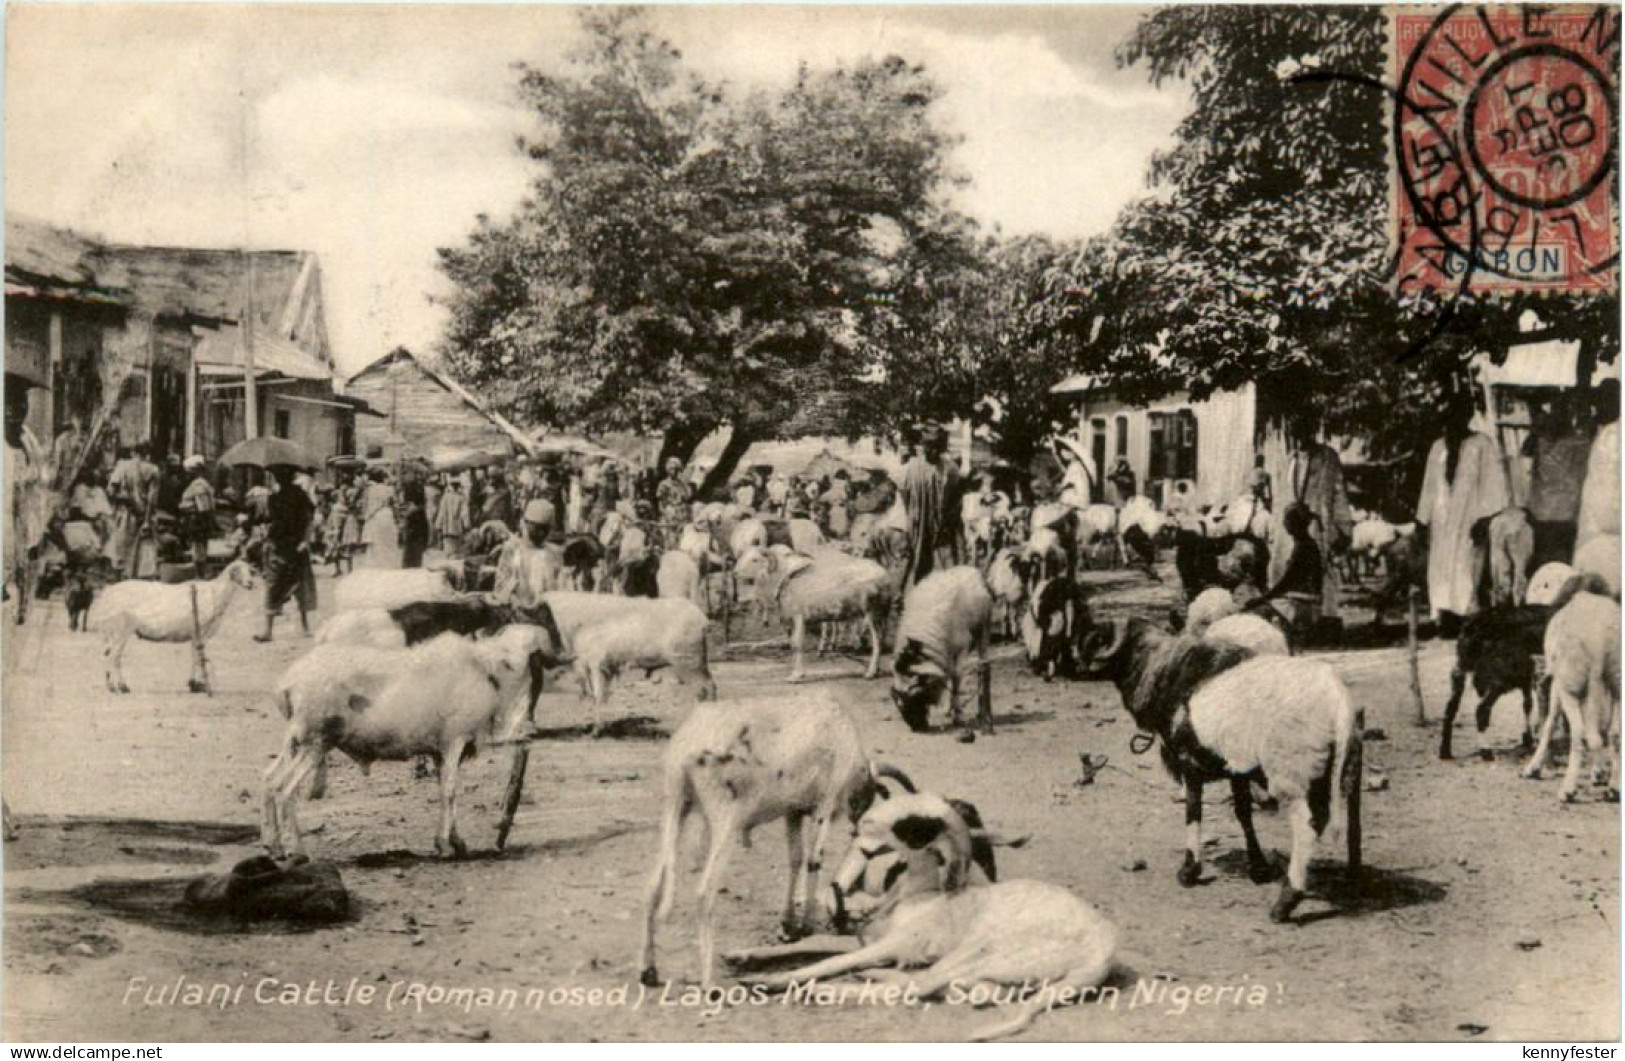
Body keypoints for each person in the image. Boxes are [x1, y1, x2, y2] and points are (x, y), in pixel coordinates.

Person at [1417, 395, 1509, 634]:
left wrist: (1485, 519)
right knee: (1440, 568)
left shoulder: (1482, 444)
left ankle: (1468, 619)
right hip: (1441, 522)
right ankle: (1444, 618)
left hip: (1469, 520)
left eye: (1456, 416)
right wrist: (1422, 519)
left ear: (1466, 417)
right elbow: (1429, 486)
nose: (1451, 422)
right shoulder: (1439, 447)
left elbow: (1493, 485)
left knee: (1467, 569)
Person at [1270, 418, 1353, 626]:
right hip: (1292, 529)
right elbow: (1281, 497)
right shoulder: (1290, 460)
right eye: (1295, 434)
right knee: (1288, 569)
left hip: (1319, 526)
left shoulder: (1328, 458)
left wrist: (1342, 529)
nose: (1299, 438)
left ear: (1312, 431)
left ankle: (1326, 619)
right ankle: (1293, 619)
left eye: (1303, 432)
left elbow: (1338, 494)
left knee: (1323, 570)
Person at [1521, 393, 1592, 567]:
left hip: (1559, 518)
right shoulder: (1576, 442)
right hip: (1553, 517)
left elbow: (1526, 451)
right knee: (1552, 564)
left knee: (1553, 564)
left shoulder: (1578, 443)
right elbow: (1526, 451)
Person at [256, 464, 316, 642]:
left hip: (294, 544)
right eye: (277, 475)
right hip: (279, 544)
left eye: (282, 475)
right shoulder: (274, 498)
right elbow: (271, 519)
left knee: (299, 584)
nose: (279, 478)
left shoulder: (300, 496)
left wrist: (305, 540)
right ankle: (268, 630)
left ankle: (304, 627)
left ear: (289, 477)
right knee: (274, 584)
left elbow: (308, 519)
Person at [1247, 502, 1323, 639]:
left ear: (1295, 524)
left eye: (1287, 520)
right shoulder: (1306, 544)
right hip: (1304, 598)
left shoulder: (1303, 547)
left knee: (1257, 614)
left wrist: (1261, 599)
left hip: (1302, 602)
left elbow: (1287, 581)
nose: (1284, 523)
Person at [900, 425, 963, 584]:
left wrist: (947, 520)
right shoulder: (911, 467)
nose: (932, 451)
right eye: (929, 447)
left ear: (942, 448)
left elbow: (956, 499)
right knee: (916, 560)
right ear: (923, 446)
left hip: (943, 523)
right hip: (918, 523)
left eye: (936, 447)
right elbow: (903, 493)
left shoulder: (950, 469)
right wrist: (912, 514)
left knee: (949, 563)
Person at [1576, 379, 1620, 554]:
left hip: (1605, 530)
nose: (1597, 409)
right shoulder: (1606, 433)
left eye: (1602, 402)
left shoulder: (1612, 435)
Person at [177, 456, 216, 566]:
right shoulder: (199, 483)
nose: (187, 474)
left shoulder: (199, 484)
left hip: (197, 520)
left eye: (189, 471)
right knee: (198, 548)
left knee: (198, 549)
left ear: (195, 471)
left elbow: (203, 507)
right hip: (196, 519)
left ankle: (199, 572)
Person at [359, 469, 399, 569]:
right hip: (387, 514)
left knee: (377, 545)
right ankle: (389, 565)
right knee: (388, 542)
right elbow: (394, 504)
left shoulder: (369, 490)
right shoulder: (389, 489)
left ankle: (378, 567)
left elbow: (366, 507)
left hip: (376, 517)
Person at [399, 479, 430, 569]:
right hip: (419, 536)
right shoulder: (421, 511)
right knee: (417, 560)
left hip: (411, 538)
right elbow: (425, 529)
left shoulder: (409, 511)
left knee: (409, 558)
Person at [434, 477, 470, 555]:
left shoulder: (446, 497)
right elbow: (465, 513)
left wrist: (438, 525)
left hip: (447, 528)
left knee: (448, 551)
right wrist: (466, 525)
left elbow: (441, 512)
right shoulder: (461, 497)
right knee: (456, 551)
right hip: (457, 528)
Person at [657, 457, 692, 526]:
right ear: (668, 469)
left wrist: (685, 483)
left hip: (684, 515)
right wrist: (668, 513)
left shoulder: (682, 484)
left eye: (677, 469)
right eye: (672, 469)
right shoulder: (664, 484)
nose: (674, 471)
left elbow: (688, 496)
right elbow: (661, 505)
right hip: (670, 516)